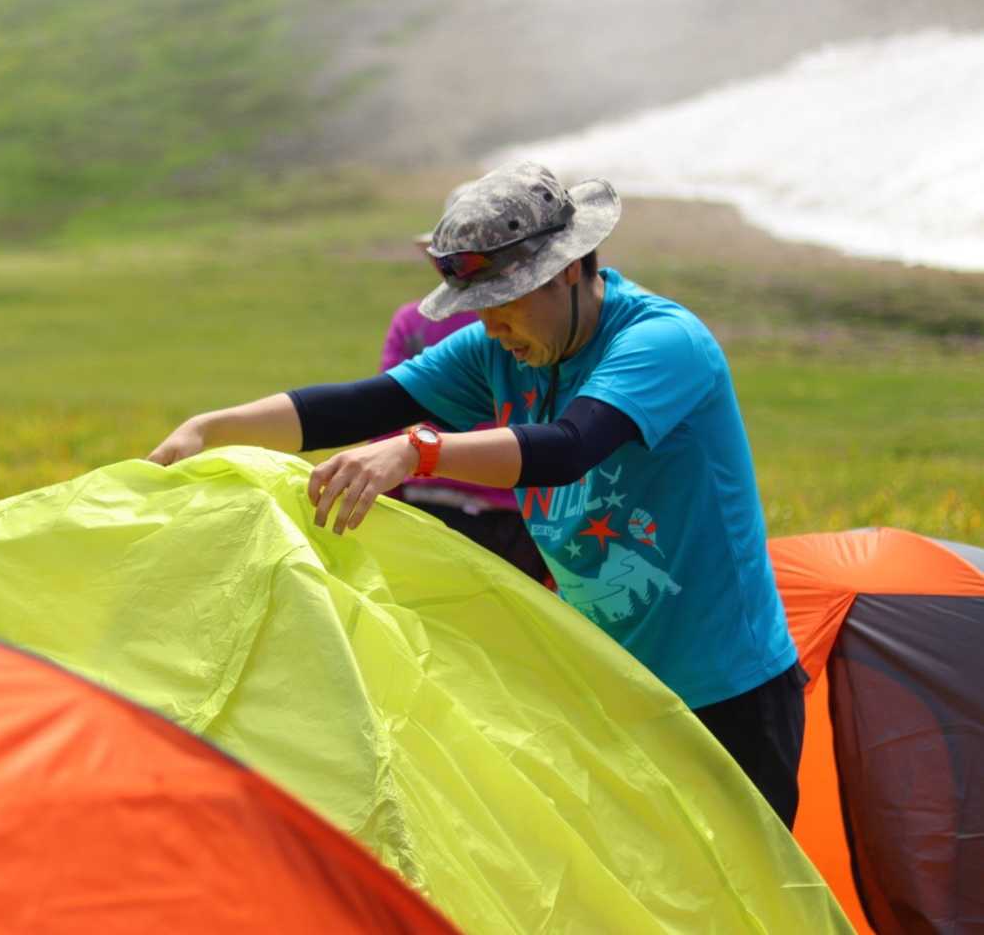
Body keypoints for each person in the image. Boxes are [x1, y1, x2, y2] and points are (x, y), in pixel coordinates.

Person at [148, 161, 806, 827]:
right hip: (608, 687)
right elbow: (359, 406)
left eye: (506, 302)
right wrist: (213, 428)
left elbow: (571, 447)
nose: (492, 328)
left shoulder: (661, 342)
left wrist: (419, 451)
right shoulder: (500, 352)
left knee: (753, 887)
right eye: (479, 309)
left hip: (725, 693)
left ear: (567, 270)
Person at [378, 234, 552, 586]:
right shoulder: (537, 322)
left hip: (433, 501)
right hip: (517, 507)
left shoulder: (413, 321)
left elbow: (386, 412)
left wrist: (386, 492)